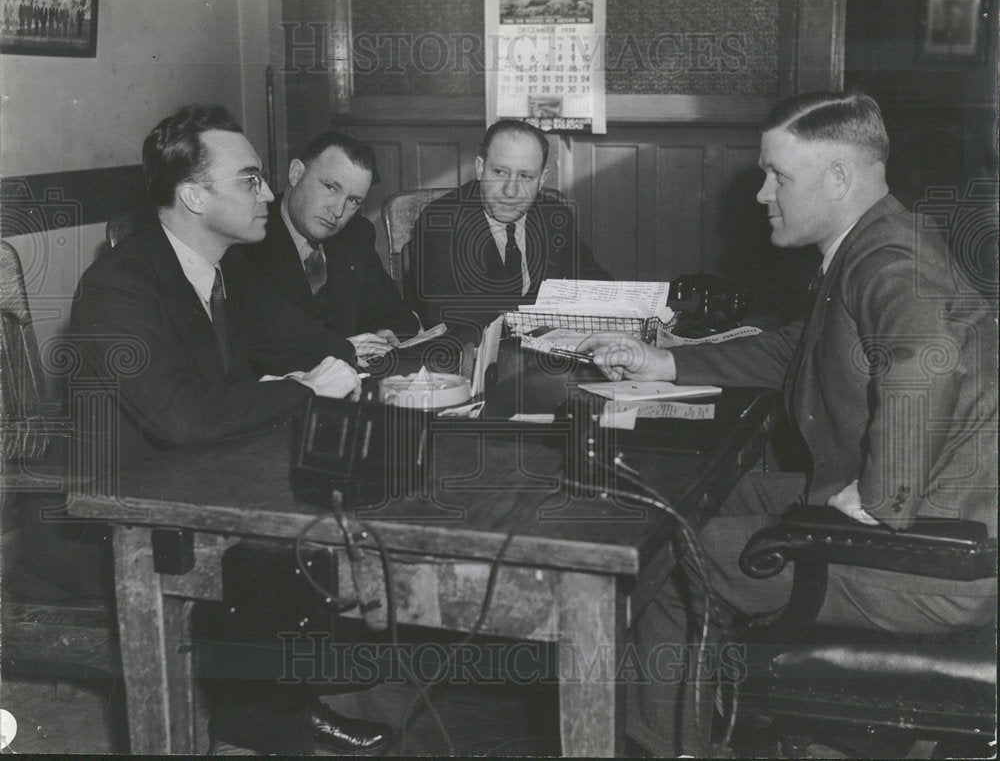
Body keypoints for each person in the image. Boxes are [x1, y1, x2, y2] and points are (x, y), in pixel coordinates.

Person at [578, 91, 998, 756]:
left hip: (938, 556)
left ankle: (665, 746)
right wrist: (663, 359)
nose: (761, 194)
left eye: (779, 175)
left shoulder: (891, 260)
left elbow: (926, 359)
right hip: (940, 519)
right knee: (682, 502)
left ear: (839, 177)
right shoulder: (874, 242)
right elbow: (795, 347)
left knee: (669, 556)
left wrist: (879, 495)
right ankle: (687, 723)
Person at [70, 105, 393, 755]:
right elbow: (182, 416)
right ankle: (268, 724)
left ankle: (283, 711)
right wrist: (300, 389)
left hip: (205, 485)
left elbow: (298, 344)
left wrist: (342, 362)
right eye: (250, 180)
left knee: (344, 512)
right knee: (299, 543)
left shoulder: (222, 272)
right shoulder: (121, 284)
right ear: (193, 195)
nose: (269, 193)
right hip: (123, 520)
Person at [412, 118, 610, 335]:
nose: (510, 190)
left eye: (525, 176)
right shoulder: (441, 219)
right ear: (480, 169)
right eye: (500, 172)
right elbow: (441, 309)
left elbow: (593, 283)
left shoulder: (554, 215)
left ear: (542, 180)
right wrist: (542, 317)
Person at [245, 129, 419, 347]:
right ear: (296, 173)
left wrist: (384, 333)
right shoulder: (249, 236)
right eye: (330, 187)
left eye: (353, 201)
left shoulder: (356, 234)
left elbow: (396, 314)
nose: (338, 211)